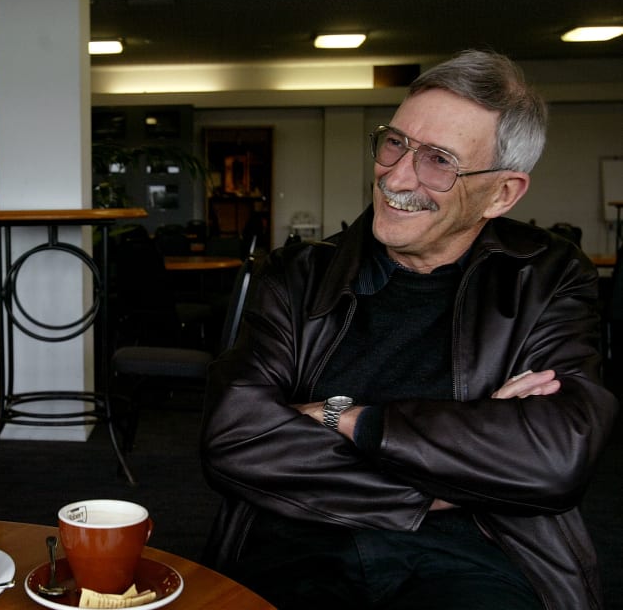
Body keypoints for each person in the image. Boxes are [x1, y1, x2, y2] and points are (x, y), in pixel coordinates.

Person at [200, 50, 619, 610]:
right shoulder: (298, 274)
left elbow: (553, 459)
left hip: (479, 551)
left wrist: (345, 417)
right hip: (300, 538)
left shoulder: (546, 277)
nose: (396, 176)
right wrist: (457, 475)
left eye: (439, 160)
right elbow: (235, 437)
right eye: (395, 142)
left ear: (502, 193)